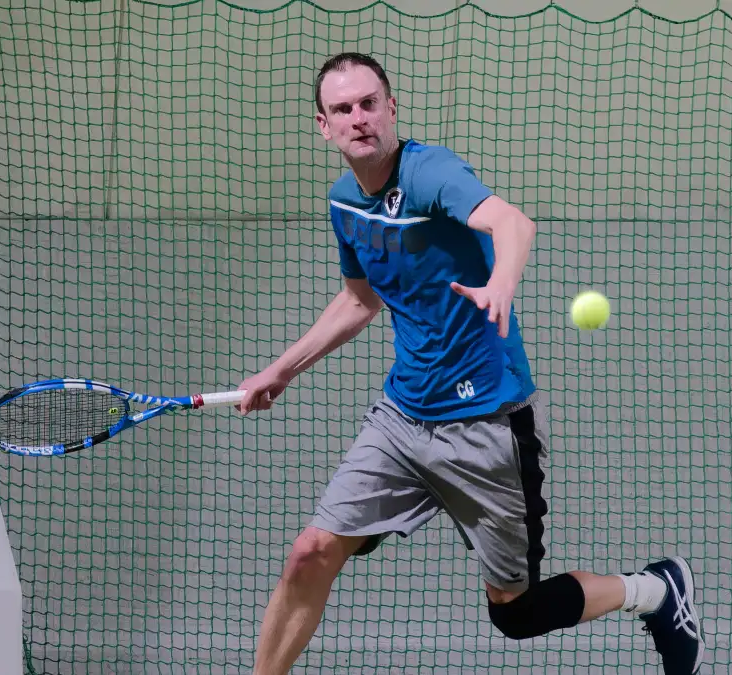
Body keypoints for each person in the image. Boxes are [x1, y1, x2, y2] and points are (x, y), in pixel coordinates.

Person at [236, 52, 705, 675]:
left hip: (488, 425)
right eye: (343, 109)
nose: (359, 118)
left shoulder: (431, 173)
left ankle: (656, 591)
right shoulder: (345, 203)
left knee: (517, 613)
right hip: (402, 420)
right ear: (323, 125)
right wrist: (282, 369)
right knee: (309, 553)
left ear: (391, 108)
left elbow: (512, 222)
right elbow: (359, 299)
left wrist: (500, 283)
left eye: (370, 103)